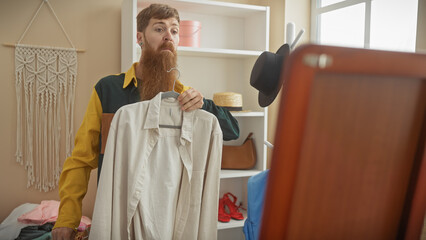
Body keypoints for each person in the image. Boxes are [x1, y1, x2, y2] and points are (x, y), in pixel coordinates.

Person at [51, 3, 239, 239]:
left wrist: (205, 104)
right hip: (120, 214)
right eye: (159, 29)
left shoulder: (186, 97)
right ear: (140, 37)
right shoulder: (108, 90)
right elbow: (81, 159)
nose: (168, 37)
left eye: (174, 31)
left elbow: (232, 130)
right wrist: (67, 218)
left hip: (171, 218)